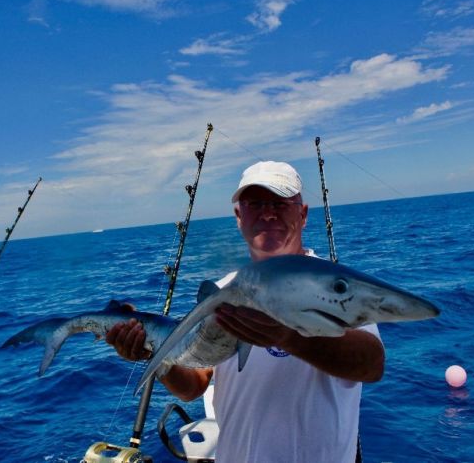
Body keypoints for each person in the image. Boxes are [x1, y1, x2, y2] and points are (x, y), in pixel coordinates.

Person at [106, 161, 385, 463]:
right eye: (254, 204)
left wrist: (288, 334)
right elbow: (194, 386)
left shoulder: (336, 286)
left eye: (280, 203)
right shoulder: (221, 292)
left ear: (303, 215)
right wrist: (154, 356)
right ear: (239, 217)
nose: (268, 213)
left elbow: (371, 365)